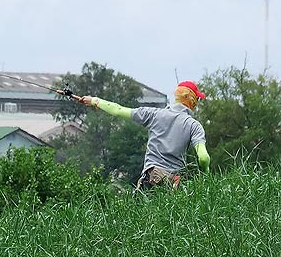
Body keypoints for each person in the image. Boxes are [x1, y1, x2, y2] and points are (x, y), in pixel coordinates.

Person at [80, 81, 211, 191]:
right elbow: (203, 157)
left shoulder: (154, 114)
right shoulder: (194, 126)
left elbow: (118, 110)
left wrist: (94, 101)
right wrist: (205, 175)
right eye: (197, 98)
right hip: (174, 186)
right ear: (192, 100)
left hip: (151, 179)